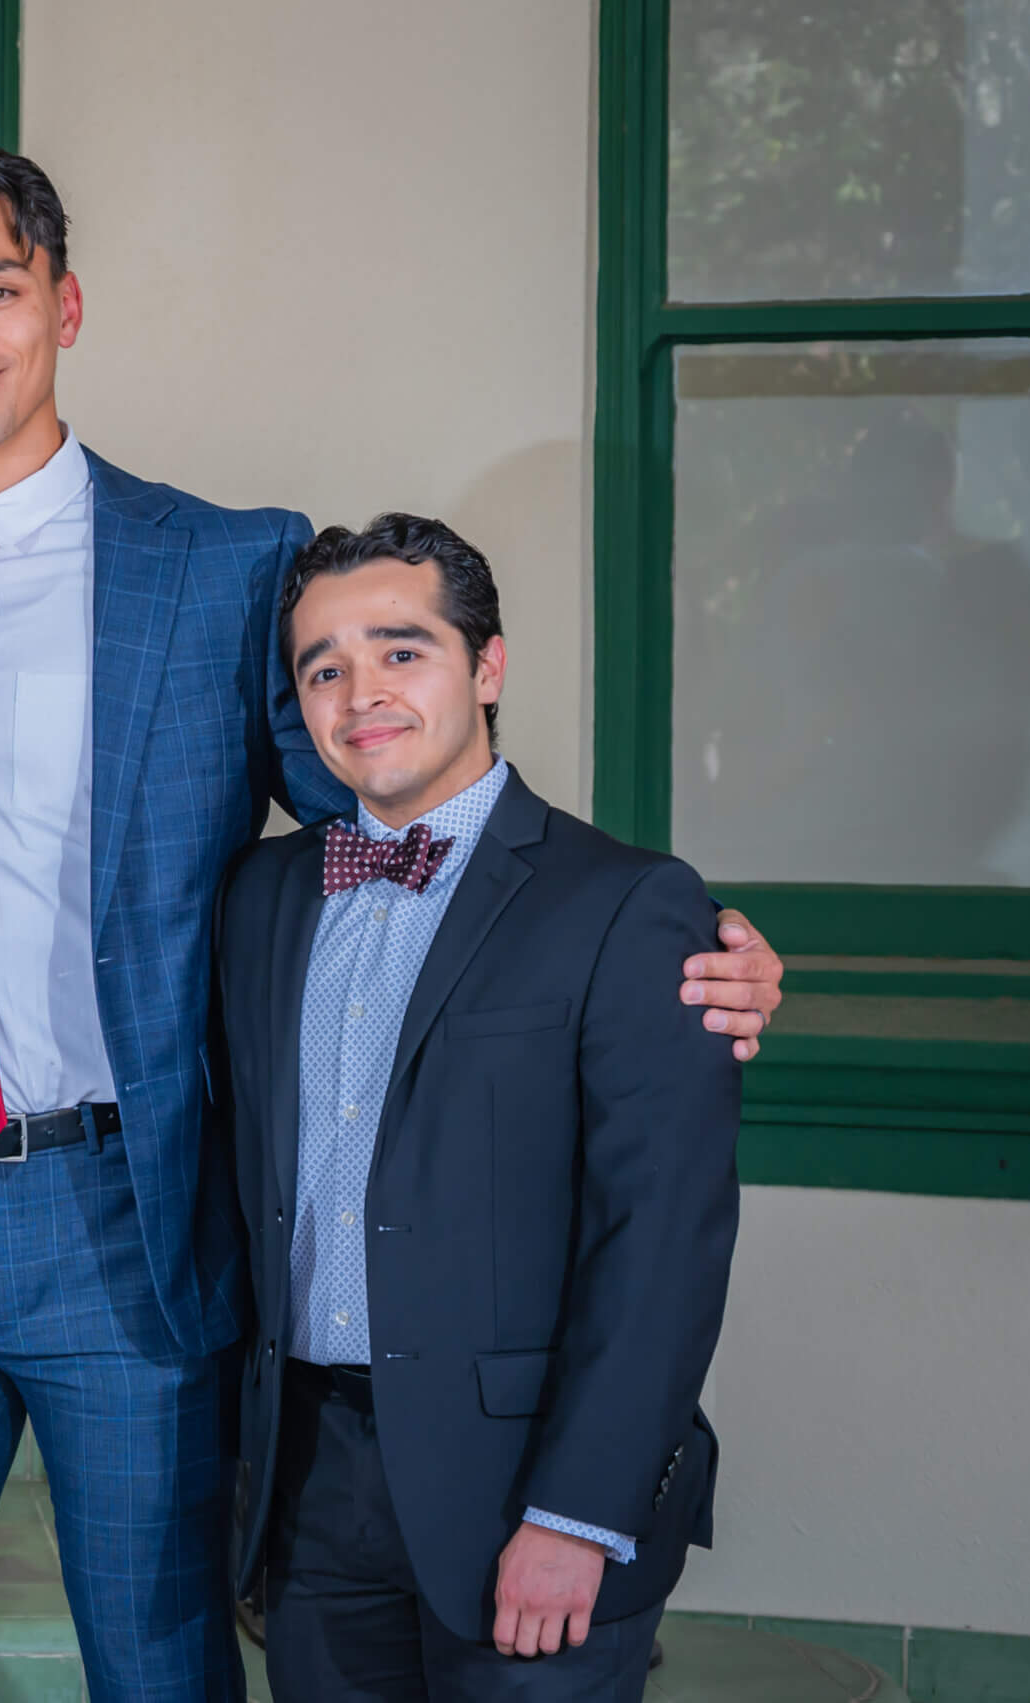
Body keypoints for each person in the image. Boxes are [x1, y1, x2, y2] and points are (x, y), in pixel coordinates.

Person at [0, 140, 784, 1703]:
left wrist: (651, 943)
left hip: (128, 1205)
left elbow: (400, 804)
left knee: (164, 1658)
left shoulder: (223, 565)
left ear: (64, 306)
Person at [221, 514, 740, 1699]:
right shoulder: (260, 896)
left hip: (526, 1480)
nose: (361, 691)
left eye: (401, 651)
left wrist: (578, 1511)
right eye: (323, 667)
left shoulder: (628, 903)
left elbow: (661, 1237)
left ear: (487, 666)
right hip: (310, 1481)